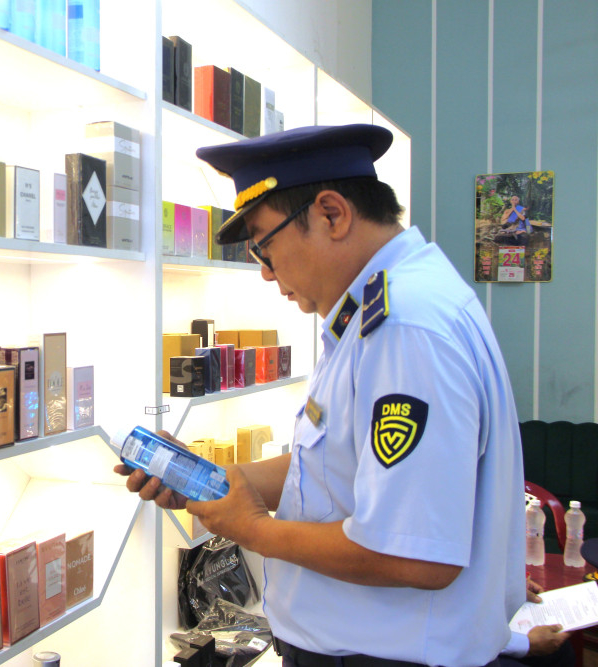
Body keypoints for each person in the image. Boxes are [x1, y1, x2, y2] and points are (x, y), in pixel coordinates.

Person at [117, 125, 526, 666]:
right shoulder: (376, 313)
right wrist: (221, 483)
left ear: (332, 214)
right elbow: (340, 465)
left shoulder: (404, 328)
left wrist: (254, 530)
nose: (266, 273)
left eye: (265, 246)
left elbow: (416, 557)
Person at [501, 578, 573, 667]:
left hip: (499, 620)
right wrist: (527, 643)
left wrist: (510, 586)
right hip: (489, 647)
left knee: (561, 649)